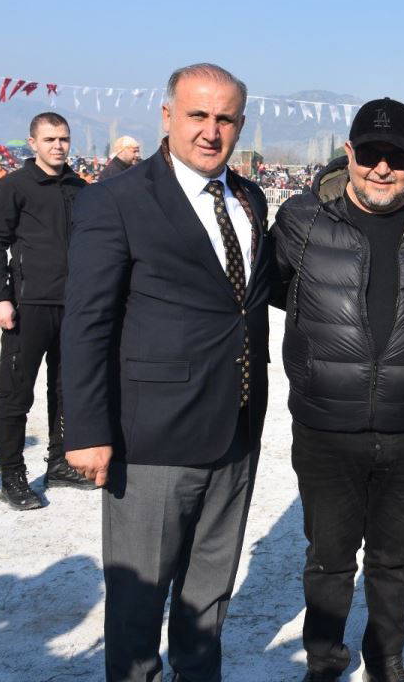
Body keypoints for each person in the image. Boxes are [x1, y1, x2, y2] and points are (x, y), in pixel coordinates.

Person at [62, 63, 274, 682]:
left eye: (225, 118)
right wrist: (87, 430)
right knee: (139, 600)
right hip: (151, 437)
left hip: (237, 427)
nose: (211, 131)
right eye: (197, 115)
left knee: (209, 595)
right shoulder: (116, 199)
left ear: (240, 125)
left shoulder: (251, 199)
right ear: (167, 117)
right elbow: (87, 323)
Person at [270, 98, 404, 682]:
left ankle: (386, 658)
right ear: (349, 153)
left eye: (396, 155)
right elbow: (267, 288)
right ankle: (324, 660)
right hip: (325, 426)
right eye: (370, 153)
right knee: (329, 559)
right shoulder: (301, 219)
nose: (382, 167)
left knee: (394, 559)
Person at [0, 111, 95, 509]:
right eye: (49, 139)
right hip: (27, 307)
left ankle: (60, 463)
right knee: (16, 394)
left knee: (66, 390)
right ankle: (11, 476)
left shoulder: (79, 188)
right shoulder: (13, 186)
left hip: (73, 308)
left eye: (63, 138)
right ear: (33, 143)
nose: (58, 146)